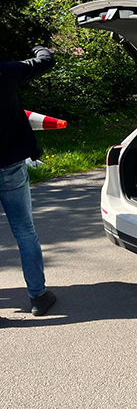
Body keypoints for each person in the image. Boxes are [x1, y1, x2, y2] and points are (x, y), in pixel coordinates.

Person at [0, 45, 57, 316]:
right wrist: (38, 47)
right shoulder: (6, 72)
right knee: (24, 231)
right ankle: (38, 296)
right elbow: (46, 61)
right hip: (10, 164)